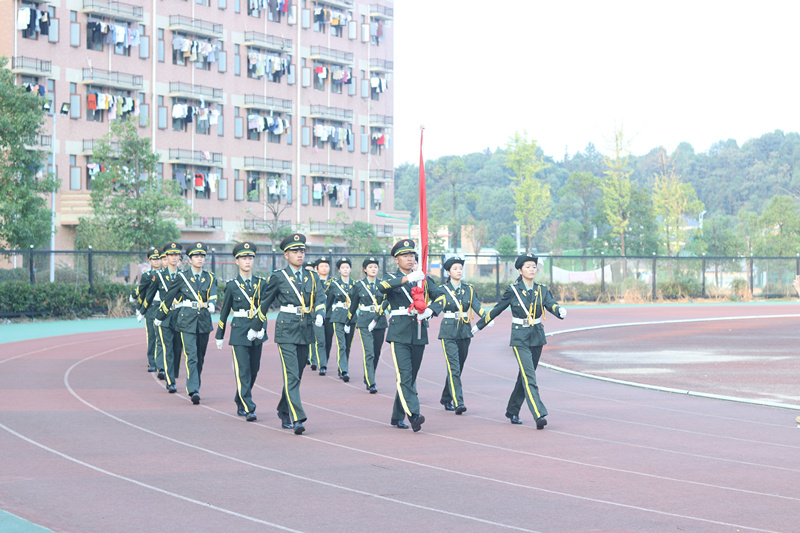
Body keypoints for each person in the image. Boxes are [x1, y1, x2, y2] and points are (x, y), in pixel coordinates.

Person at [474, 253, 566, 429]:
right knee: (529, 375)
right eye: (527, 266)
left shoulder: (541, 289)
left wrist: (558, 310)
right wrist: (479, 325)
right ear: (520, 270)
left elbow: (550, 303)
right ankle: (539, 413)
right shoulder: (513, 290)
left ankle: (512, 410)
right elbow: (497, 309)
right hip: (520, 337)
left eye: (533, 266)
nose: (531, 269)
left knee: (524, 376)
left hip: (537, 336)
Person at [248, 233, 326, 435]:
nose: (299, 254)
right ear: (286, 254)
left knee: (297, 374)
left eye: (302, 251)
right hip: (286, 328)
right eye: (295, 251)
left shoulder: (312, 276)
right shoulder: (278, 277)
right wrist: (256, 327)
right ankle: (297, 417)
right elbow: (264, 304)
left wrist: (319, 313)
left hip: (306, 327)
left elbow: (320, 298)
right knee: (291, 373)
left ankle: (283, 408)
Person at [377, 239, 444, 432]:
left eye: (412, 255)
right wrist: (408, 279)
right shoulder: (391, 277)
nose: (409, 258)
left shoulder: (423, 278)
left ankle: (397, 415)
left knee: (411, 376)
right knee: (405, 375)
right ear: (396, 259)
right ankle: (414, 415)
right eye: (405, 256)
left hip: (419, 331)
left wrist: (431, 310)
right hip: (399, 333)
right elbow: (382, 287)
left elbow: (441, 296)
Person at [155, 242, 217, 405]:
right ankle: (193, 389)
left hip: (203, 321)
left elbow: (213, 293)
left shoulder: (209, 277)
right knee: (191, 355)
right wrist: (160, 316)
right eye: (196, 256)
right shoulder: (182, 277)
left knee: (201, 357)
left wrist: (211, 303)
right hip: (186, 321)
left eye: (202, 256)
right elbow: (169, 297)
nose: (200, 259)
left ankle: (195, 382)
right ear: (189, 259)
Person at [215, 242, 267, 422]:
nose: (248, 261)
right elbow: (225, 311)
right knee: (243, 370)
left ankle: (240, 397)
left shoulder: (261, 283)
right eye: (244, 258)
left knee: (254, 369)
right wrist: (219, 335)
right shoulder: (232, 286)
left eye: (250, 258)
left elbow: (264, 309)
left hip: (257, 331)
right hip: (239, 332)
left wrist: (262, 329)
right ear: (236, 261)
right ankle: (249, 406)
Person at [435, 256, 492, 415]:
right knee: (453, 366)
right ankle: (458, 401)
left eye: (460, 268)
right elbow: (435, 306)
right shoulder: (442, 290)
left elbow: (476, 306)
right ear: (448, 272)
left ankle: (446, 397)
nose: (459, 271)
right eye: (455, 268)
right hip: (448, 331)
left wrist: (485, 317)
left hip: (464, 330)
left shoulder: (469, 289)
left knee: (458, 367)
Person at [141, 242, 184, 392]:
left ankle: (172, 372)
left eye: (176, 255)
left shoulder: (184, 276)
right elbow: (149, 294)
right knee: (167, 347)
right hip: (164, 316)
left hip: (180, 316)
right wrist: (142, 310)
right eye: (170, 255)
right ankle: (169, 379)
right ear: (165, 257)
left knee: (178, 349)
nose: (173, 258)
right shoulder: (158, 276)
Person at [347, 256, 388, 393]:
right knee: (369, 352)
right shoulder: (359, 285)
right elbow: (353, 305)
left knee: (376, 352)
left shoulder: (383, 284)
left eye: (375, 267)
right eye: (370, 267)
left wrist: (378, 318)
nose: (373, 269)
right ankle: (371, 382)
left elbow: (386, 302)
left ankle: (369, 375)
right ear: (365, 269)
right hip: (364, 321)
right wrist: (348, 321)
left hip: (380, 321)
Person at [326, 257, 356, 382]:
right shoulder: (334, 284)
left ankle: (342, 367)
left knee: (348, 345)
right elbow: (328, 303)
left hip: (351, 316)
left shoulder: (355, 284)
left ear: (350, 269)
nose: (345, 270)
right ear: (339, 270)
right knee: (341, 344)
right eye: (342, 268)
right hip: (338, 316)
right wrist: (323, 317)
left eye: (347, 267)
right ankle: (344, 370)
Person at [131, 247, 161, 372]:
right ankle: (152, 362)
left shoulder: (165, 274)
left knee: (162, 336)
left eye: (158, 258)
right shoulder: (147, 275)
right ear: (149, 260)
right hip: (150, 307)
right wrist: (139, 308)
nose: (156, 261)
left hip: (163, 306)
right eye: (153, 259)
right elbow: (142, 292)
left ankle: (161, 362)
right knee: (152, 336)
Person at [310, 256, 333, 375]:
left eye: (326, 266)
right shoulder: (313, 282)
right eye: (321, 266)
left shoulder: (333, 282)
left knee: (328, 341)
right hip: (316, 315)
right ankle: (322, 365)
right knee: (320, 340)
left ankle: (324, 361)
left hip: (330, 315)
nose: (324, 268)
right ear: (316, 268)